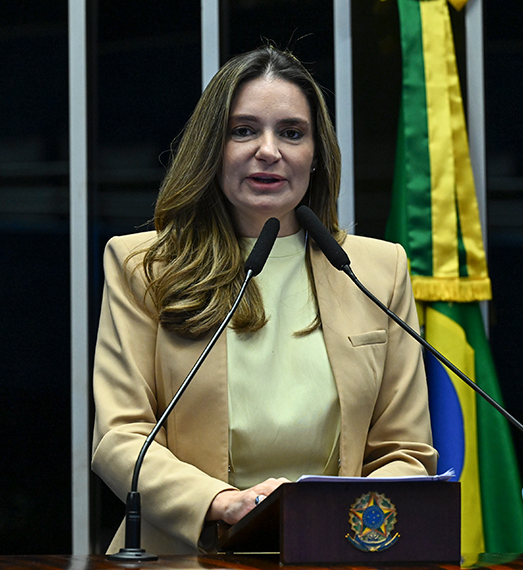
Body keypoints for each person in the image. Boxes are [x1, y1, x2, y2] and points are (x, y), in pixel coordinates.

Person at [91, 45, 437, 555]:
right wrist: (226, 503)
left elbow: (405, 451)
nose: (269, 150)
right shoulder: (143, 265)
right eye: (244, 130)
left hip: (334, 556)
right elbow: (121, 438)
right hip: (187, 554)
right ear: (213, 146)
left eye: (292, 133)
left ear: (316, 153)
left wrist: (333, 521)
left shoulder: (377, 269)